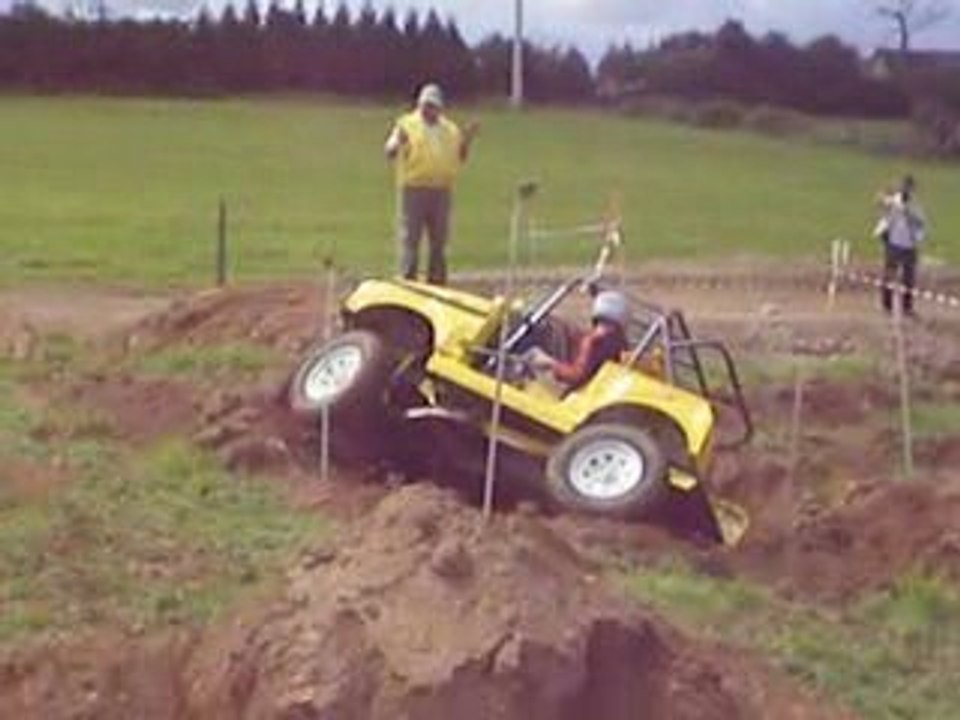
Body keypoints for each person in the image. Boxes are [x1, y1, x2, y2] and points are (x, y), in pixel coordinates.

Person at [384, 83, 479, 285]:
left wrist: (467, 140)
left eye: (433, 106)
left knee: (439, 242)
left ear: (440, 107)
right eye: (425, 105)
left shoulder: (450, 129)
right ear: (419, 105)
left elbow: (460, 156)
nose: (429, 110)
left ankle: (437, 283)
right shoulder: (406, 125)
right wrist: (397, 143)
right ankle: (408, 283)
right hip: (414, 189)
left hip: (441, 191)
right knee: (411, 240)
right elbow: (389, 152)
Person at [527, 291, 630, 391]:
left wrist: (550, 363)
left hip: (582, 396)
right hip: (599, 389)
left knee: (533, 361)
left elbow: (576, 376)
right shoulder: (621, 342)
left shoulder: (593, 341)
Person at [875, 174, 928, 317]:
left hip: (909, 246)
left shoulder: (915, 205)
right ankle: (887, 306)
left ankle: (907, 308)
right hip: (894, 244)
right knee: (889, 275)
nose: (905, 190)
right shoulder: (894, 202)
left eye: (908, 187)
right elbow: (882, 208)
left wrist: (906, 210)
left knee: (909, 279)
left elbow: (920, 221)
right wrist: (884, 200)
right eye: (904, 186)